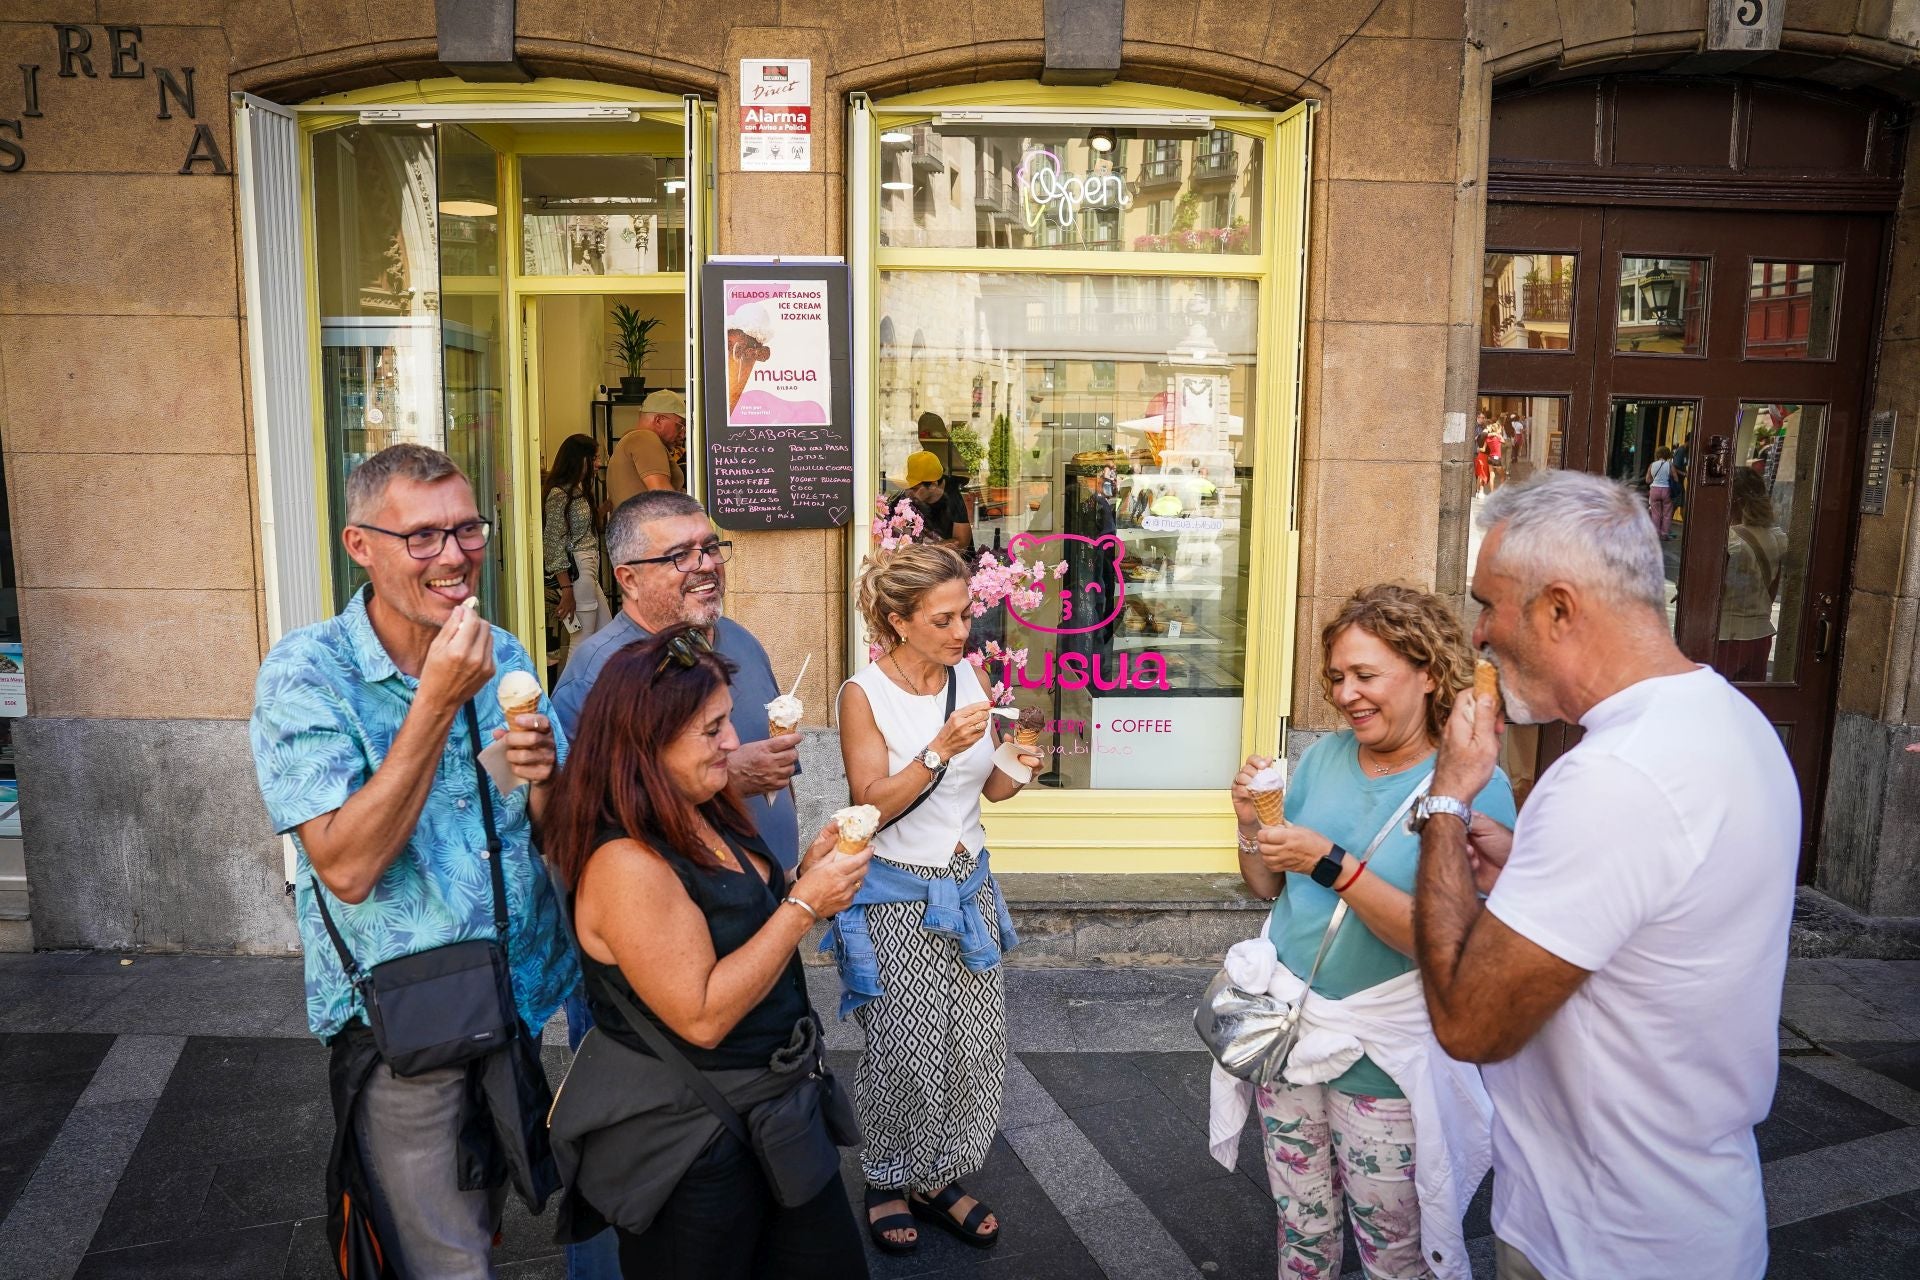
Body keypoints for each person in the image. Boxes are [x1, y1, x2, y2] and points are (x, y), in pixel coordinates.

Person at [1414, 470, 1799, 1280]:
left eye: (1490, 604)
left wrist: (1446, 803)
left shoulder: (1616, 775)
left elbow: (1468, 1024)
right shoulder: (1730, 719)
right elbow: (1664, 920)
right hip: (1693, 1213)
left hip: (1599, 1242)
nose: (1478, 635)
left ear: (1559, 608)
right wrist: (1533, 877)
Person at [249, 444, 578, 1278]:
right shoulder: (306, 674)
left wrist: (544, 782)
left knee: (479, 1215)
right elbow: (348, 867)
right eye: (423, 537)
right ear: (360, 544)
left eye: (467, 529)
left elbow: (550, 826)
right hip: (406, 1022)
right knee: (442, 1258)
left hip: (513, 996)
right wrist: (434, 702)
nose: (456, 555)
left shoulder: (500, 652)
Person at [543, 625, 872, 1279]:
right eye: (713, 728)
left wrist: (801, 872)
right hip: (696, 1143)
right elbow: (700, 1014)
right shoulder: (626, 863)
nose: (733, 741)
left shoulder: (704, 803)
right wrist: (804, 905)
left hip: (779, 1113)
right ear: (646, 745)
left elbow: (738, 914)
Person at [549, 490, 806, 1277]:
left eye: (711, 546)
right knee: (651, 1135)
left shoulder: (738, 641)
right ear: (627, 578)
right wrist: (736, 770)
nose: (705, 564)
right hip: (664, 943)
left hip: (748, 917)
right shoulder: (602, 670)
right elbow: (579, 809)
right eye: (680, 553)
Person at [1226, 584, 1511, 1280]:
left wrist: (1334, 864)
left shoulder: (1471, 786)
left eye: (1366, 675)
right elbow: (1266, 887)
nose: (1347, 693)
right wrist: (1247, 826)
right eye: (1337, 677)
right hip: (1288, 1037)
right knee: (1301, 1229)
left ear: (1428, 674)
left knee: (1394, 1248)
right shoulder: (1322, 759)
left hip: (1385, 1063)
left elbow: (1438, 945)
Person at [834, 542, 1041, 1254]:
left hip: (969, 884)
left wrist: (1022, 769)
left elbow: (990, 789)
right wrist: (936, 750)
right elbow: (869, 807)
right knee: (904, 1049)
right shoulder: (864, 694)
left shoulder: (969, 676)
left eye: (966, 617)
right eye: (945, 620)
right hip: (895, 893)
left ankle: (938, 1174)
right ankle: (888, 1177)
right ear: (898, 620)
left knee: (975, 1045)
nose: (963, 634)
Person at [545, 433, 610, 674]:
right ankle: (567, 700)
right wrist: (566, 590)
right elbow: (553, 544)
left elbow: (583, 529)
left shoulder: (577, 491)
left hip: (586, 569)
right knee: (582, 639)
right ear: (578, 459)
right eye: (593, 458)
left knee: (605, 633)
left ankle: (593, 693)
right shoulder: (559, 495)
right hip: (578, 571)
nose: (597, 463)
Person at [1717, 468, 1787, 683]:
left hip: (1726, 638)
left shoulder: (1729, 540)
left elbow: (1717, 593)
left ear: (1735, 500)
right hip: (1760, 637)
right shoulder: (1777, 538)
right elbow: (1772, 591)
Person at [607, 389, 687, 505]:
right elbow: (663, 497)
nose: (683, 434)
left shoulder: (629, 440)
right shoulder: (645, 438)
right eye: (680, 425)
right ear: (659, 420)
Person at [914, 411, 975, 550]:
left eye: (926, 433)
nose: (922, 437)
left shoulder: (952, 494)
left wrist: (925, 549)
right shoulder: (934, 456)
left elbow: (961, 542)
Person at [890, 450, 961, 545]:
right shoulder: (907, 499)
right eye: (907, 487)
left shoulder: (955, 499)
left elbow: (961, 542)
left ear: (933, 485)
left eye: (914, 488)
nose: (908, 493)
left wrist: (924, 549)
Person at [1645, 444, 1676, 539]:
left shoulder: (1652, 465)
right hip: (1666, 490)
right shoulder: (1670, 465)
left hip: (1654, 490)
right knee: (1667, 513)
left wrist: (1656, 479)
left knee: (1655, 513)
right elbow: (1676, 478)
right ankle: (1664, 534)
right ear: (1667, 454)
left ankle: (1655, 534)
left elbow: (1647, 480)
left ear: (1657, 454)